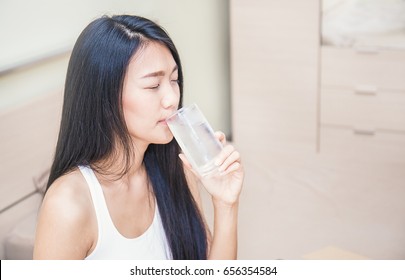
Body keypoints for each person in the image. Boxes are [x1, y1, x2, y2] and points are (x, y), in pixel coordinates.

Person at [33, 14, 244, 260]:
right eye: (153, 86)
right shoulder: (68, 205)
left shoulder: (178, 170)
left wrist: (226, 204)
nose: (172, 98)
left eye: (174, 80)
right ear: (106, 97)